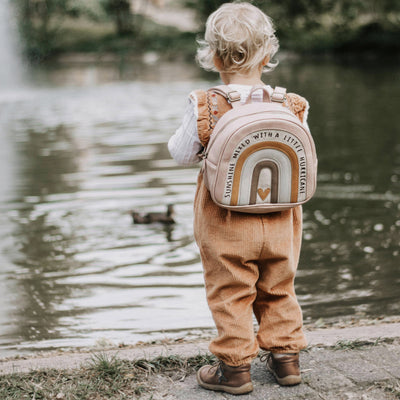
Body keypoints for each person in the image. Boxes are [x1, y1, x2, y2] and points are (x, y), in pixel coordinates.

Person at [168, 2, 310, 395]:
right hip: (282, 216)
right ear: (268, 54)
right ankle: (286, 360)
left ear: (212, 57)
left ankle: (234, 370)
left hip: (224, 219)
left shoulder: (207, 104)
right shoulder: (292, 104)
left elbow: (181, 154)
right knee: (279, 285)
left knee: (230, 290)